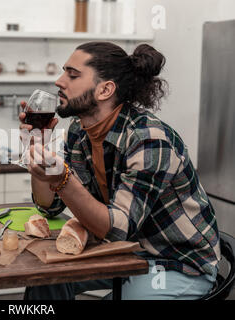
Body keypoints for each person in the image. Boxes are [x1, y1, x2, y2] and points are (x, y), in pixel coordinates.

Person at [19, 42, 221, 300]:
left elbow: (118, 228)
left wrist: (62, 179)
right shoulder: (80, 132)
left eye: (72, 74)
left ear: (105, 89)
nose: (59, 81)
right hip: (124, 251)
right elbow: (50, 206)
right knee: (45, 278)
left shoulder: (149, 139)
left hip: (176, 263)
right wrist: (38, 155)